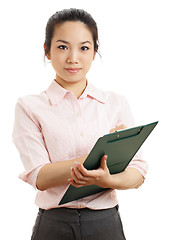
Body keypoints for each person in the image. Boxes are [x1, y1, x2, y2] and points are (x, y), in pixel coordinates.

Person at [12, 8, 148, 240]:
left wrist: (110, 180)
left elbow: (138, 171)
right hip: (54, 225)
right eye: (62, 47)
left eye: (84, 48)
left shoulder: (115, 103)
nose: (73, 58)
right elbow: (40, 177)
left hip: (106, 223)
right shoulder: (29, 106)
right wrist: (99, 157)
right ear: (47, 51)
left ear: (95, 52)